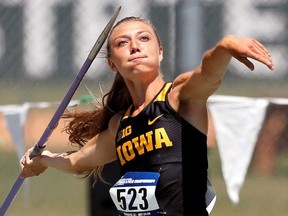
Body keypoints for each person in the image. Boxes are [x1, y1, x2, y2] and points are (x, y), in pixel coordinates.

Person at [20, 16, 274, 216]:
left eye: (143, 39)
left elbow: (206, 73)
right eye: (122, 43)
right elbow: (78, 162)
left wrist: (224, 46)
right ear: (112, 64)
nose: (134, 47)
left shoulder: (179, 97)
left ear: (160, 51)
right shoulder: (120, 124)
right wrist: (43, 161)